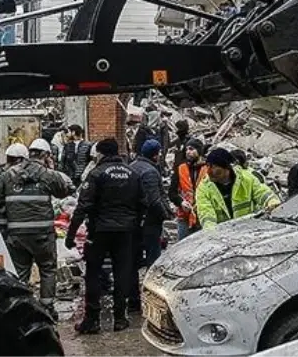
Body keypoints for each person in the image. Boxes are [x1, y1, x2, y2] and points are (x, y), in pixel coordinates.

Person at [68, 138, 144, 334]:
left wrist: (71, 234)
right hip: (125, 233)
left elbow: (83, 206)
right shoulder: (133, 174)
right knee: (122, 273)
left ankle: (92, 319)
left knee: (93, 272)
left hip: (99, 231)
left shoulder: (96, 174)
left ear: (101, 153)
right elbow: (143, 203)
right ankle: (120, 318)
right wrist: (135, 225)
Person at [0, 138, 73, 314]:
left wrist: (3, 232)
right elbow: (65, 190)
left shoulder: (8, 175)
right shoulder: (47, 174)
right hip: (42, 234)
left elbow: (0, 204)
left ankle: (19, 308)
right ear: (46, 155)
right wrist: (53, 169)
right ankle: (47, 307)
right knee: (48, 269)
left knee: (19, 272)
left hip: (16, 234)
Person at [129, 139, 173, 306]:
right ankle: (152, 298)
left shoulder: (132, 166)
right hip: (150, 223)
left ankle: (133, 299)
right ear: (155, 154)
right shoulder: (150, 172)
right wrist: (165, 215)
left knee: (133, 261)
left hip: (134, 222)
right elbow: (154, 200)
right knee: (153, 260)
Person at [196, 148, 281, 229]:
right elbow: (206, 215)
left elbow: (262, 192)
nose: (209, 171)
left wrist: (272, 202)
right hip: (222, 236)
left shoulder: (246, 179)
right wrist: (211, 233)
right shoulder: (204, 188)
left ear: (226, 168)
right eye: (208, 166)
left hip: (247, 230)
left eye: (214, 167)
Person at [171, 139, 207, 239]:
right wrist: (181, 202)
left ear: (199, 151)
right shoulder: (180, 168)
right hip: (184, 217)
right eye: (186, 149)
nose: (188, 152)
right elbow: (172, 193)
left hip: (203, 215)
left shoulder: (208, 169)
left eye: (191, 149)